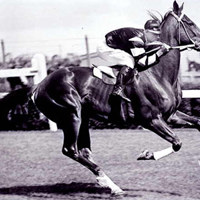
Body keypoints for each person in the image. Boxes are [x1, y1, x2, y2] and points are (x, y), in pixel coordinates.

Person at [97, 19, 170, 102]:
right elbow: (143, 62)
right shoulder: (137, 39)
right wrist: (160, 53)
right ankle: (118, 89)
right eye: (154, 34)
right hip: (105, 47)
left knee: (130, 60)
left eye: (158, 35)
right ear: (146, 32)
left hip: (113, 45)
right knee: (129, 61)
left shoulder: (143, 36)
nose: (157, 37)